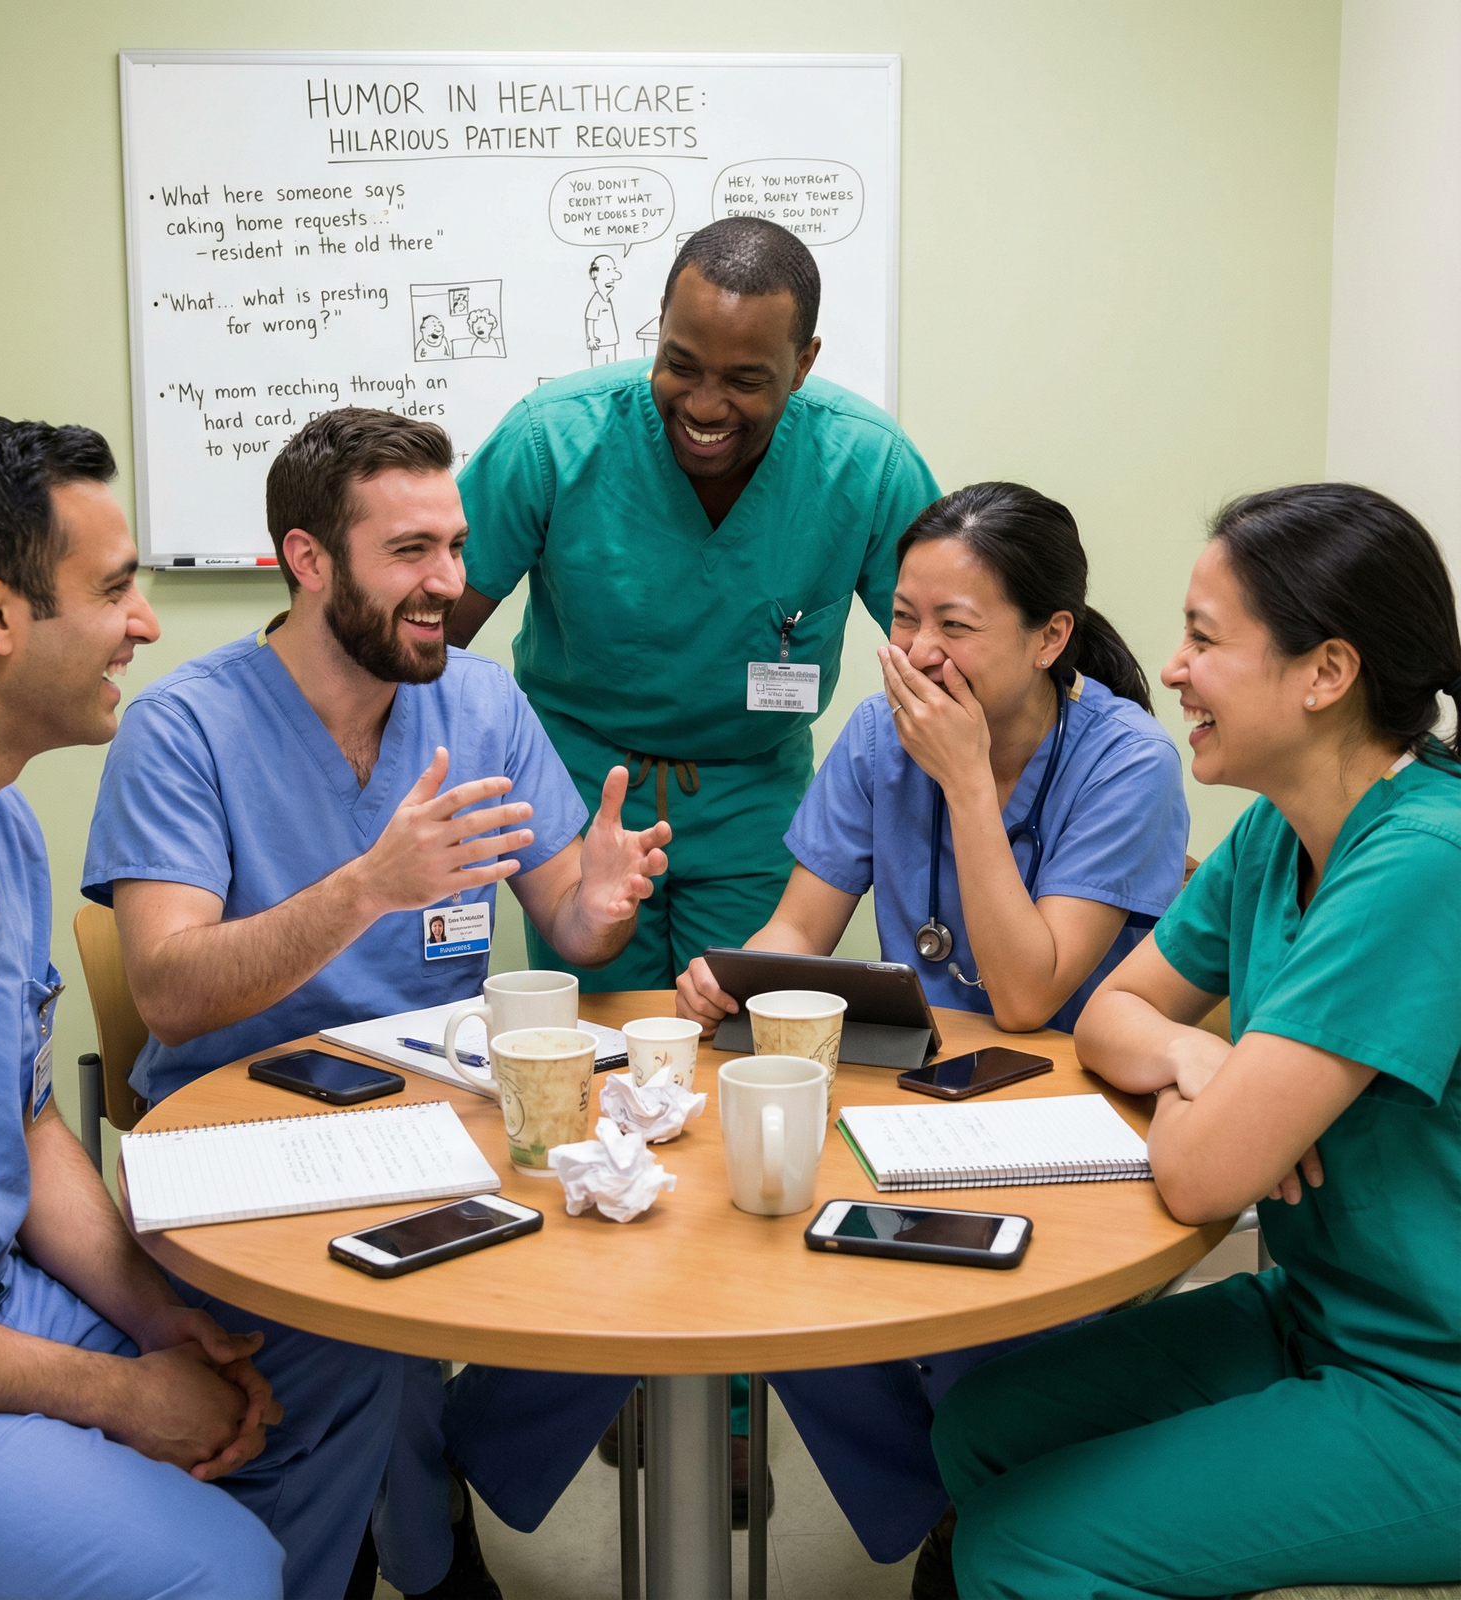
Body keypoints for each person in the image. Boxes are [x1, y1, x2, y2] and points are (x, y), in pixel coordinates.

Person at [84, 407, 670, 1596]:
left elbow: (565, 914)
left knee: (655, 1276)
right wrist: (366, 887)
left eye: (453, 549)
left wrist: (602, 901)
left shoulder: (481, 705)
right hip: (242, 1148)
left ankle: (425, 1493)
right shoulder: (183, 728)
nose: (448, 586)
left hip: (439, 1138)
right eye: (411, 552)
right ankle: (380, 1541)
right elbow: (170, 991)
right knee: (357, 1340)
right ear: (308, 560)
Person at [0, 414, 411, 1600]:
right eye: (115, 591)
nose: (147, 624)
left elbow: (23, 1120)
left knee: (331, 1359)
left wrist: (157, 1318)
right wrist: (110, 1392)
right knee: (211, 1569)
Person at [930, 483, 1461, 1600]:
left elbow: (1199, 1175)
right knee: (980, 1423)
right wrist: (1197, 1059)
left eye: (1203, 640)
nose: (1168, 668)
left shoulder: (1422, 862)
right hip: (1316, 1313)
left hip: (1433, 1389)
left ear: (1326, 673)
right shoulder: (1280, 829)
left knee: (1019, 1547)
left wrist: (1212, 1116)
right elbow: (1115, 1015)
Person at [676, 481, 1191, 1570]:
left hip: (1070, 1115)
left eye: (954, 626)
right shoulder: (874, 733)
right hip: (914, 1100)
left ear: (1051, 636)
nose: (916, 650)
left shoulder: (1126, 759)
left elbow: (1025, 995)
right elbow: (800, 922)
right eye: (903, 618)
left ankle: (977, 1517)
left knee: (979, 1342)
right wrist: (734, 982)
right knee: (775, 1286)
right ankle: (953, 1509)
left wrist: (962, 780)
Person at [449, 216, 942, 999]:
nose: (705, 405)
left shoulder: (867, 466)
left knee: (740, 1031)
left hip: (753, 796)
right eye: (680, 364)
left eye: (746, 380)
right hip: (579, 787)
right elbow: (430, 637)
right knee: (595, 1040)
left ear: (804, 362)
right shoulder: (553, 440)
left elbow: (947, 653)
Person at [584, 252, 622, 362]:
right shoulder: (596, 301)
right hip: (599, 344)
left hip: (611, 341)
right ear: (595, 275)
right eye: (608, 270)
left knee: (611, 367)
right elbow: (590, 319)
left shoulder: (607, 299)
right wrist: (591, 338)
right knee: (599, 369)